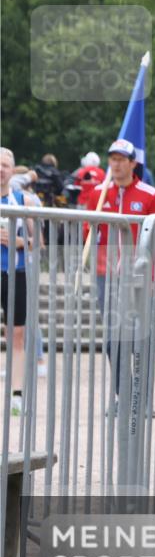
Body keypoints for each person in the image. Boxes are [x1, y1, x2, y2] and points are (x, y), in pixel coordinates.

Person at [83, 139, 155, 405]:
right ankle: (125, 395)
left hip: (138, 274)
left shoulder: (150, 195)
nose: (116, 164)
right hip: (107, 275)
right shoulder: (99, 193)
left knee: (139, 336)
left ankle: (143, 396)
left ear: (133, 163)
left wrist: (153, 276)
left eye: (121, 159)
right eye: (113, 159)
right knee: (113, 339)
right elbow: (88, 231)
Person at [1, 147, 41, 416]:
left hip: (15, 272)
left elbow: (39, 242)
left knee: (17, 334)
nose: (1, 169)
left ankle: (16, 394)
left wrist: (18, 242)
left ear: (12, 170)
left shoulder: (22, 200)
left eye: (5, 165)